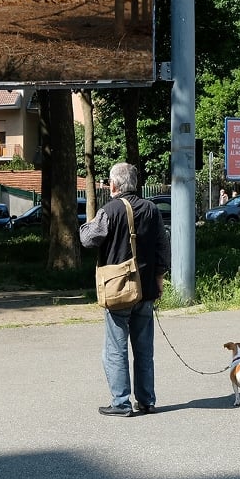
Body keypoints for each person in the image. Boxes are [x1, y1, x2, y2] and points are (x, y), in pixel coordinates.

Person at [79, 162, 171, 417]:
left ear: (114, 185)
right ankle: (147, 400)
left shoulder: (109, 210)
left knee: (115, 349)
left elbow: (88, 239)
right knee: (144, 349)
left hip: (119, 290)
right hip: (146, 289)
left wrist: (88, 222)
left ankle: (121, 403)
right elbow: (163, 248)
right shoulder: (152, 209)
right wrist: (159, 278)